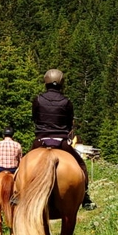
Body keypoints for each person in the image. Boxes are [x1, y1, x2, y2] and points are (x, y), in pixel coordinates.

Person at [31, 69, 95, 210]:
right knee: (81, 165)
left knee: (22, 165)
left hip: (40, 140)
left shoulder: (38, 99)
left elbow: (35, 118)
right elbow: (68, 122)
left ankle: (17, 194)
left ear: (46, 82)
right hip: (61, 141)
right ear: (61, 83)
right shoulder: (67, 102)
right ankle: (85, 197)